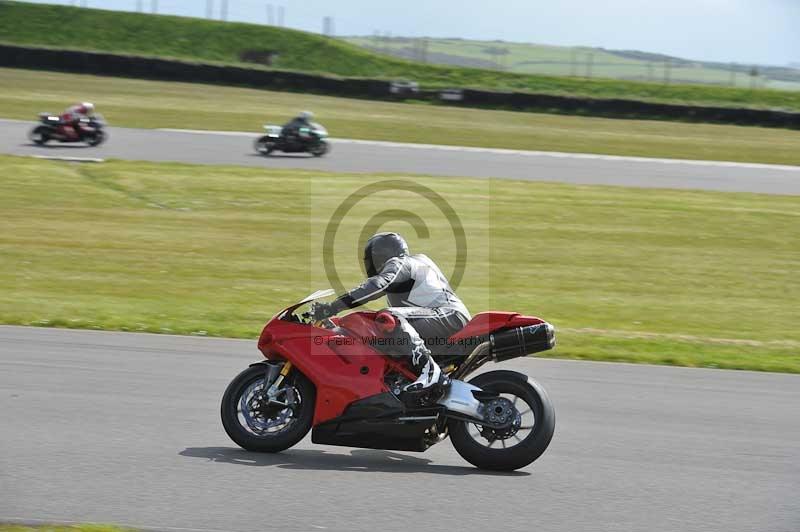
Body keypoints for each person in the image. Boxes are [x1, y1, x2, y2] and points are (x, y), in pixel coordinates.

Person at [313, 232, 471, 398]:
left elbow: (378, 285)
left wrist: (333, 307)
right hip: (446, 317)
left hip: (449, 316)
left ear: (379, 257)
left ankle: (430, 372)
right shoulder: (416, 264)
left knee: (390, 317)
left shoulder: (401, 263)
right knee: (384, 328)